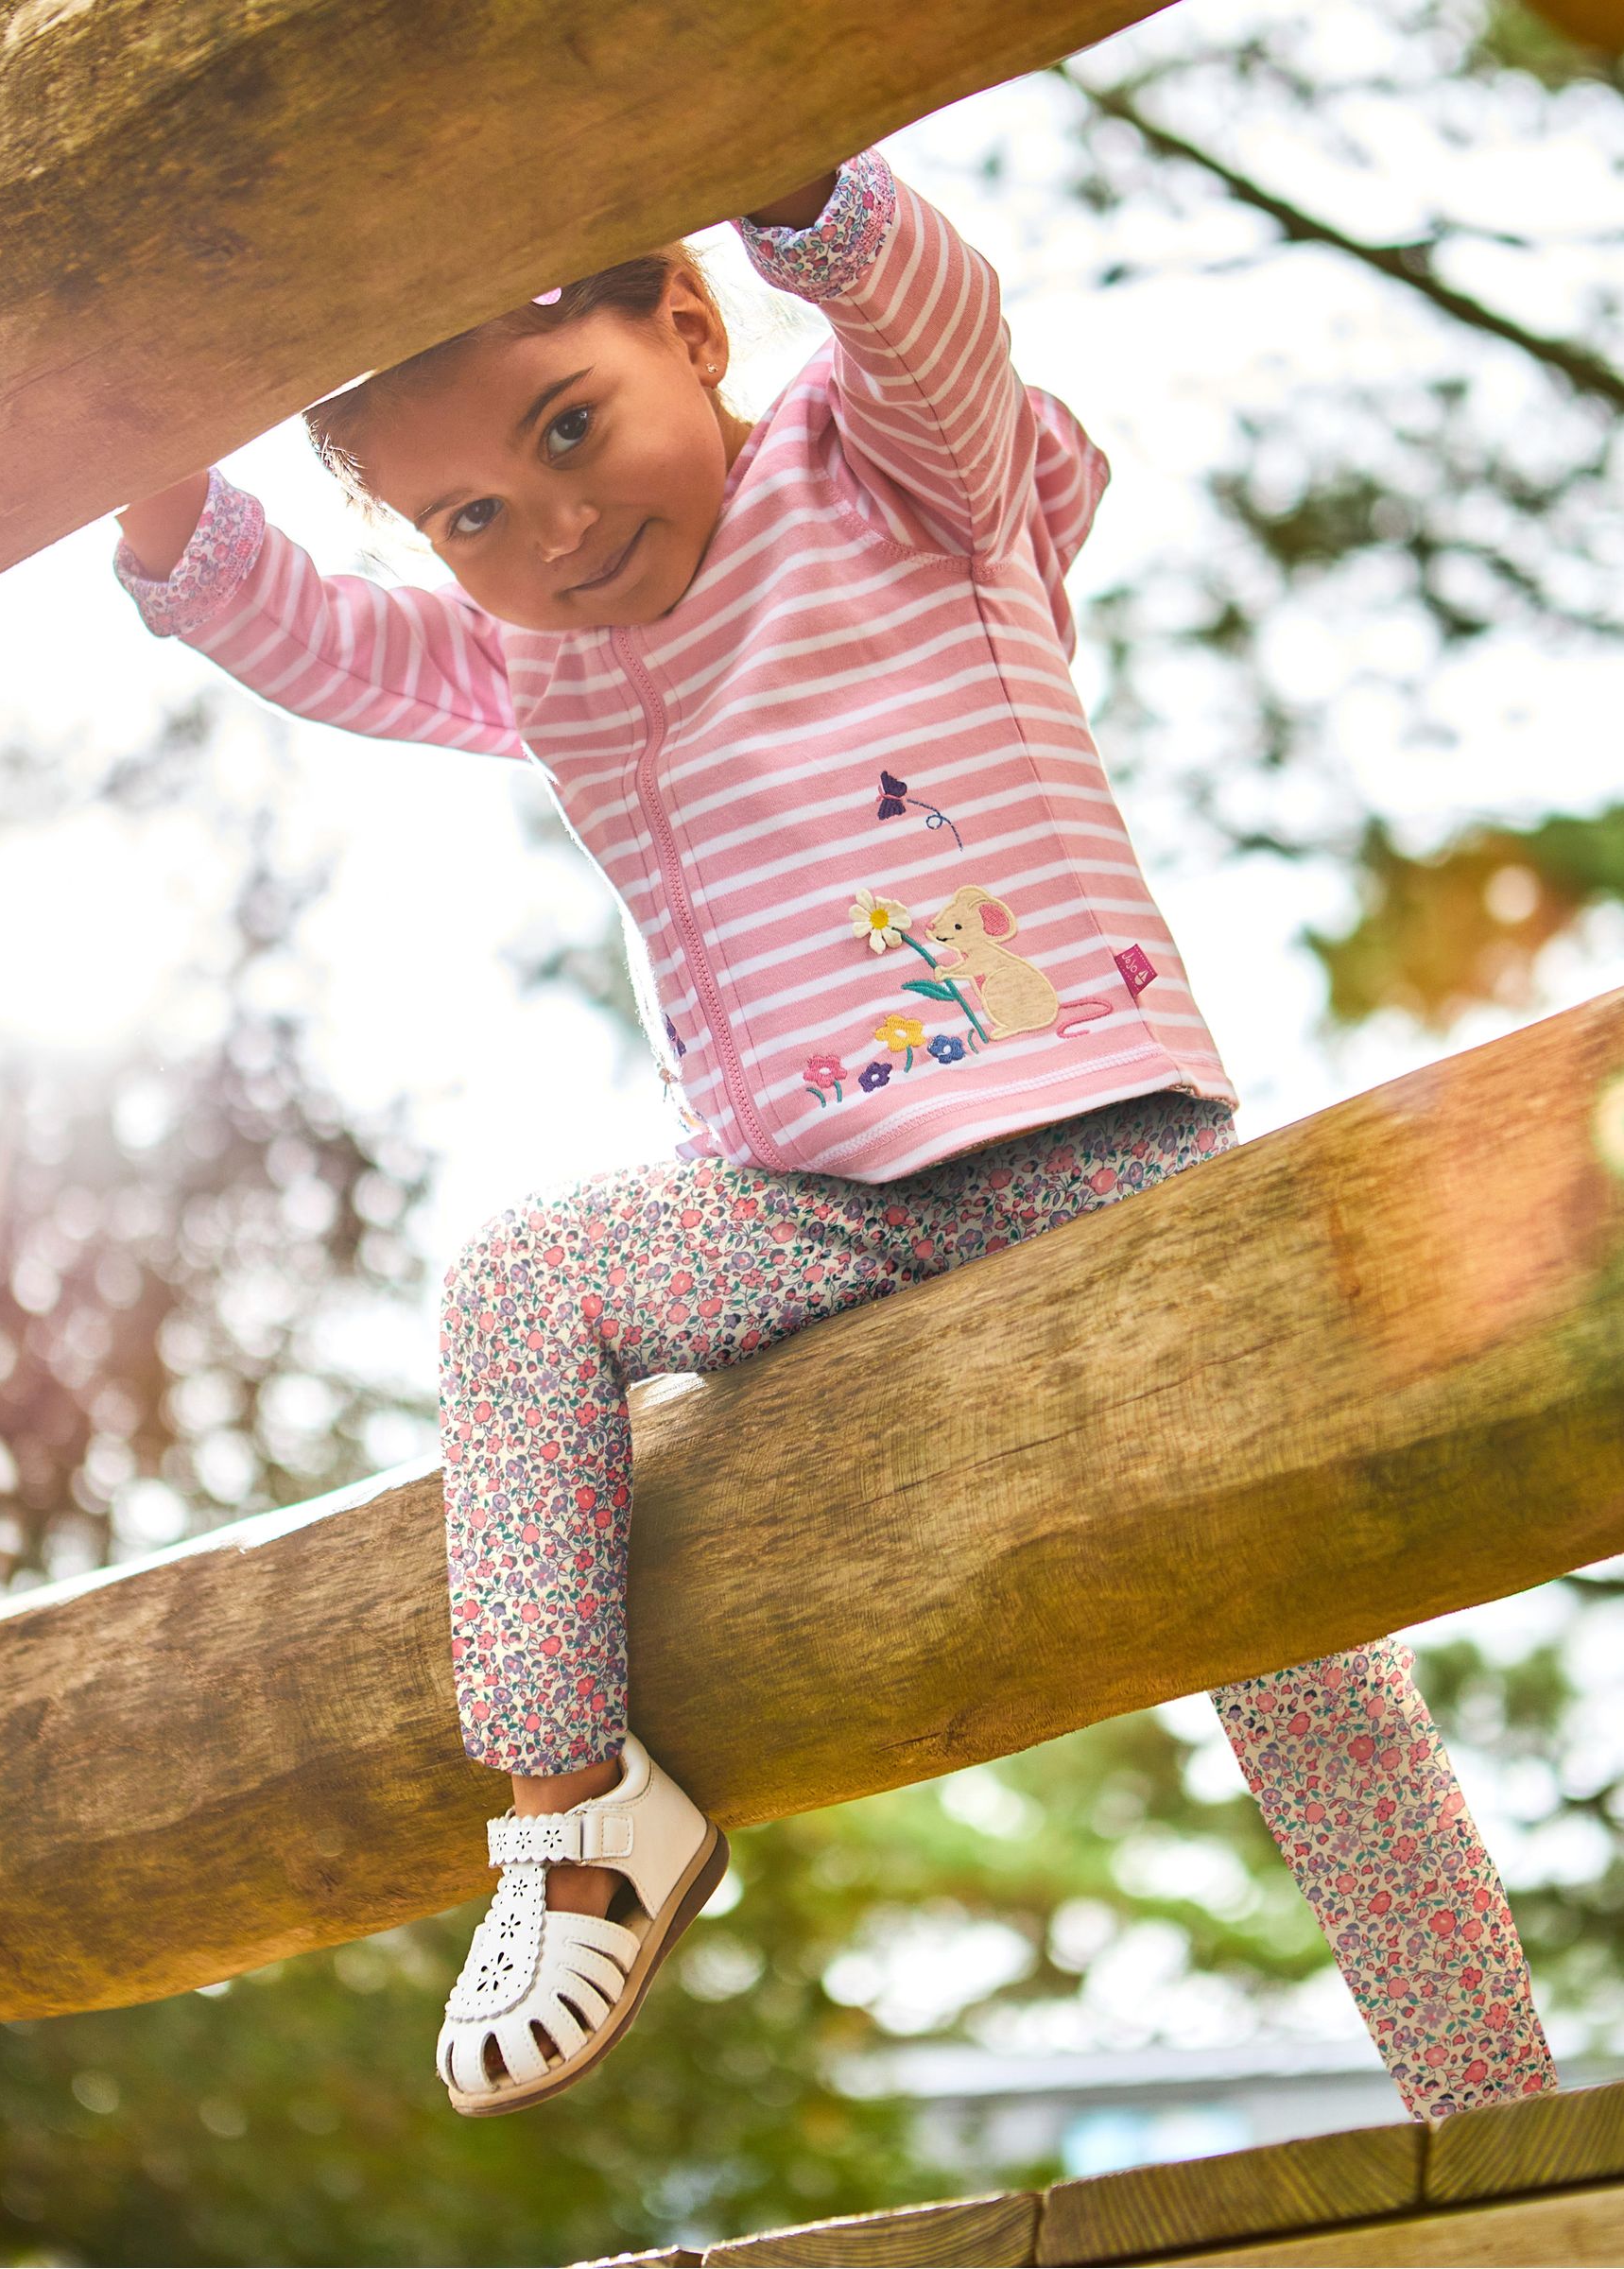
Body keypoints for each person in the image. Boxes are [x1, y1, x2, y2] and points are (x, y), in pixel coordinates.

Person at [112, 147, 1556, 2122]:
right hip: (810, 1208)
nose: (554, 527)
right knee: (525, 1287)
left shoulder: (890, 481)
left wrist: (782, 166)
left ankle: (1496, 2118)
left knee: (1305, 1654)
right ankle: (577, 1814)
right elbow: (315, 635)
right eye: (472, 517)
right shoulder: (545, 653)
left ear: (691, 327)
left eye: (569, 428)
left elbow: (930, 319)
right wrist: (153, 460)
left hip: (1099, 1150)